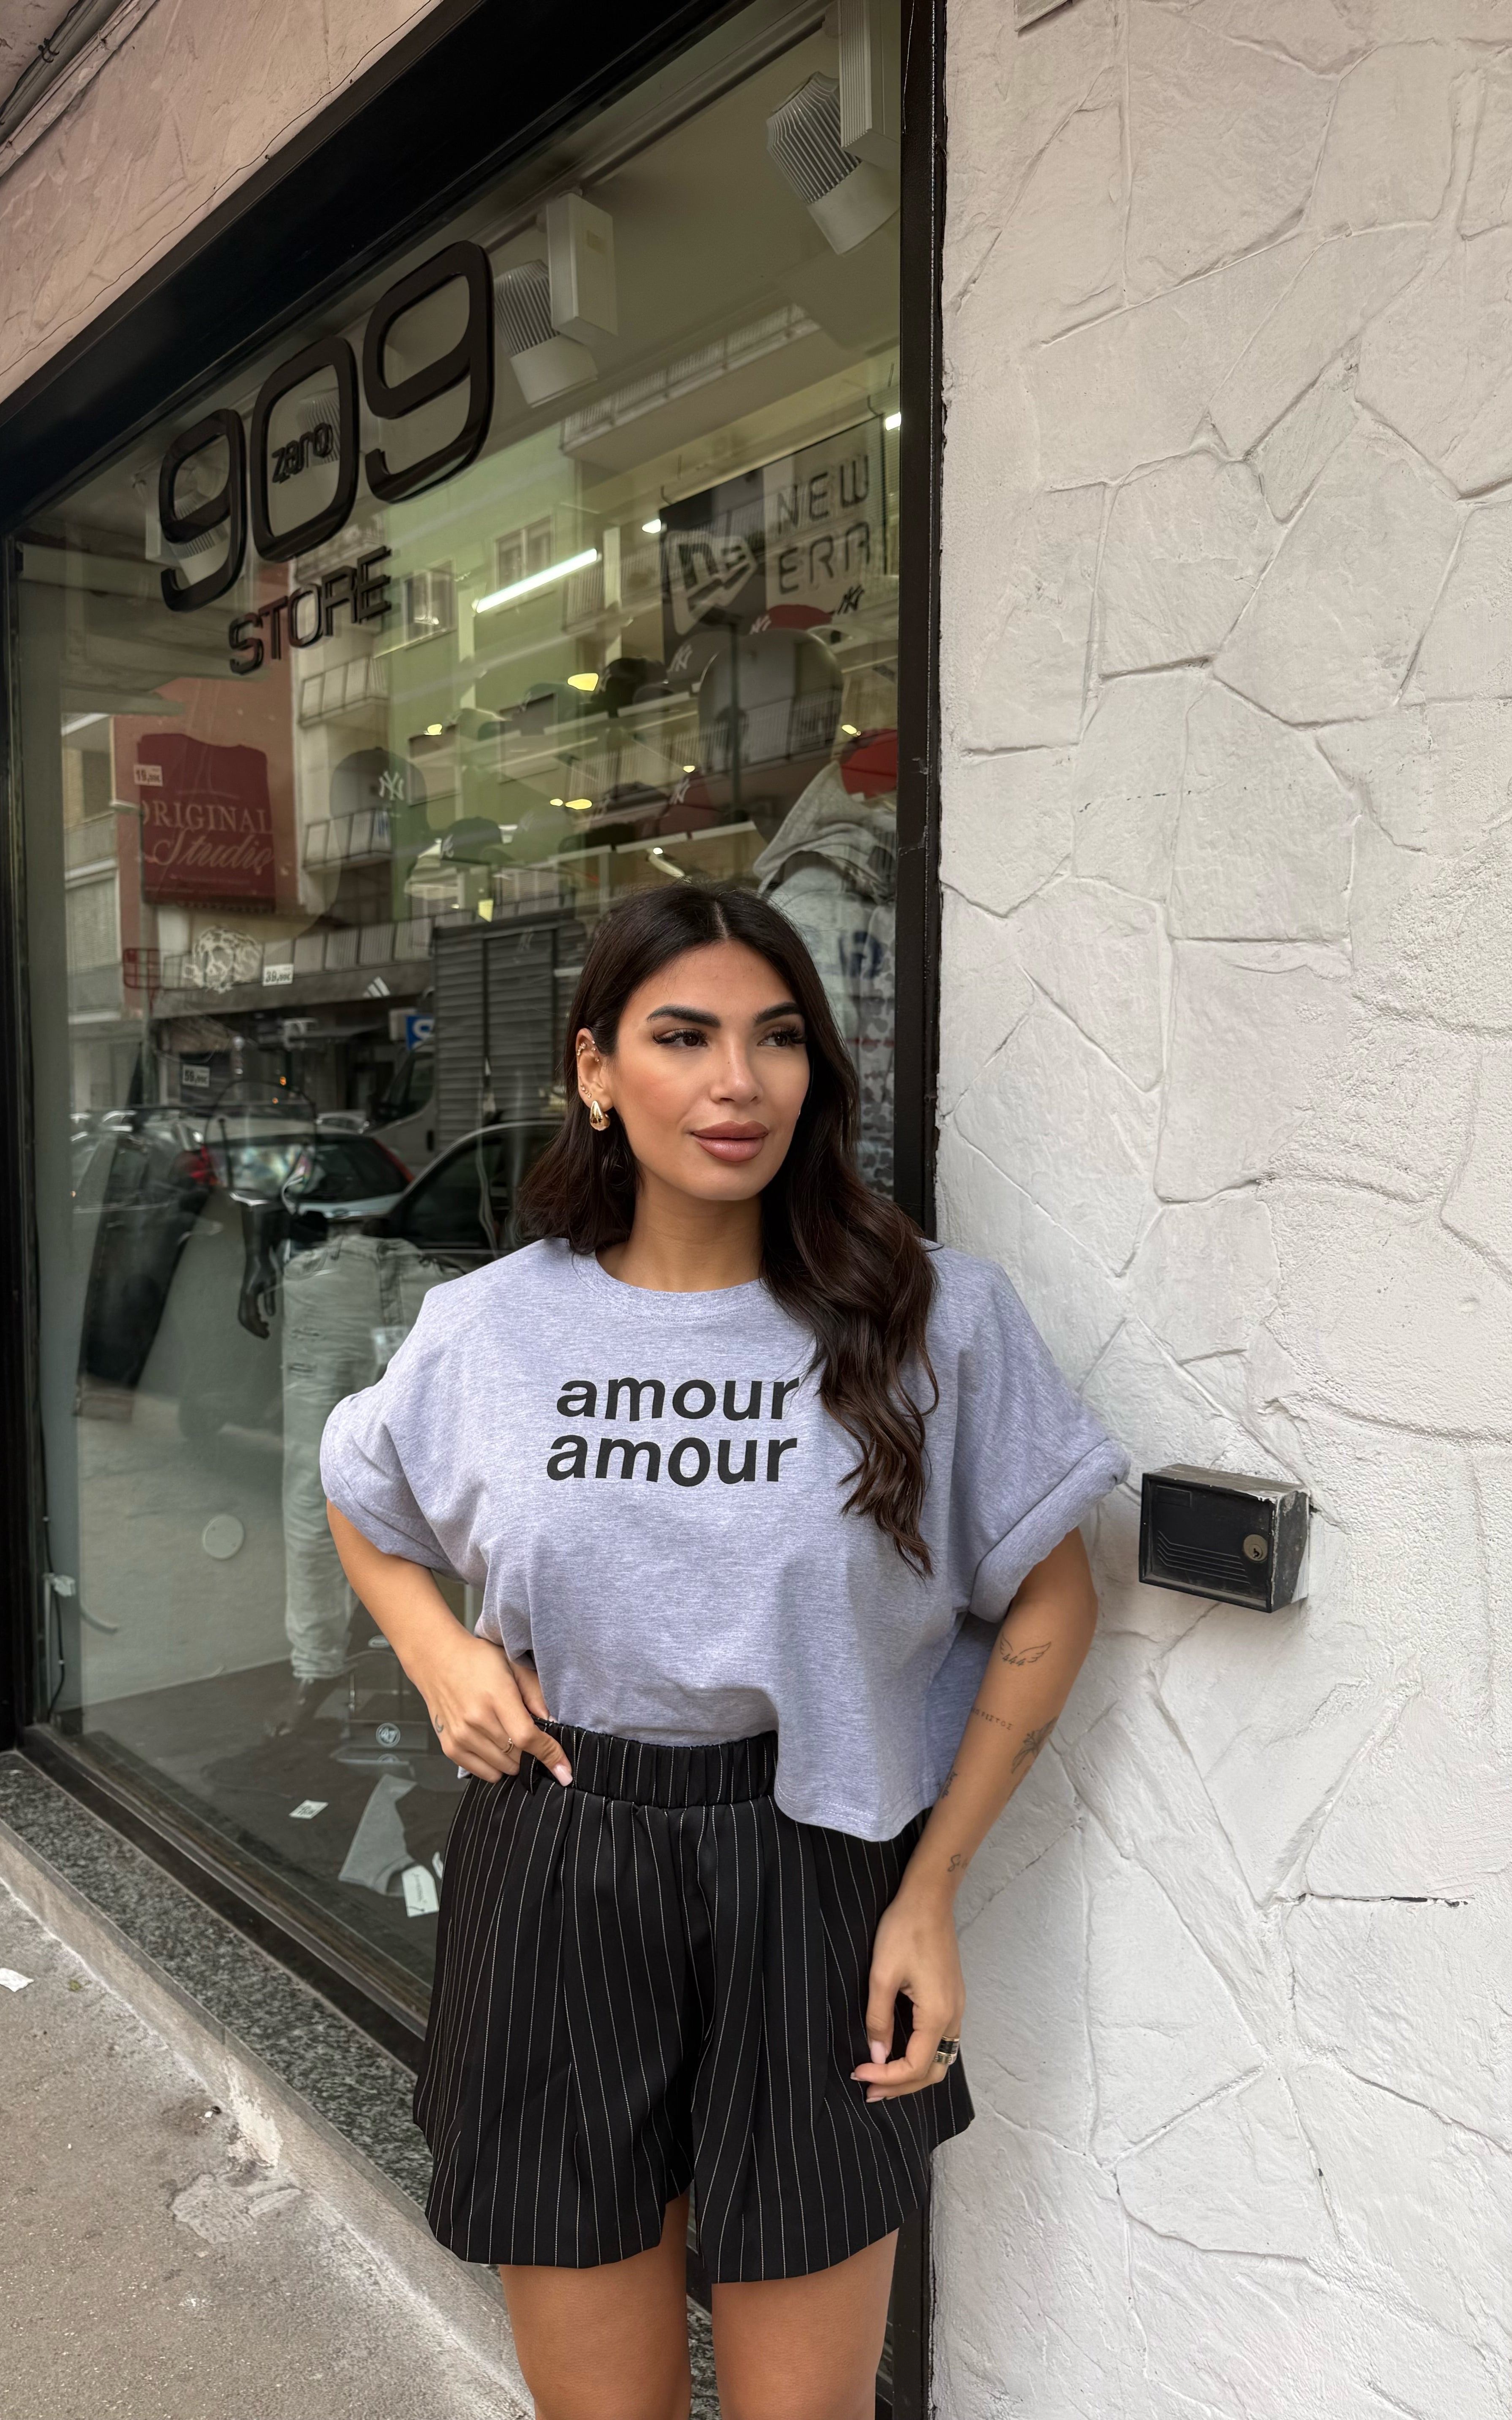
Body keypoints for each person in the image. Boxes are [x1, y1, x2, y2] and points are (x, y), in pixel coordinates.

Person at [320, 882, 1126, 2420]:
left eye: (776, 1039)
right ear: (595, 1069)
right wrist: (435, 1651)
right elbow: (363, 1499)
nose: (735, 1082)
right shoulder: (489, 1329)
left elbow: (1050, 1597)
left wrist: (931, 1892)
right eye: (681, 1037)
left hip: (815, 1866)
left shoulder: (930, 1316)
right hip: (558, 1854)